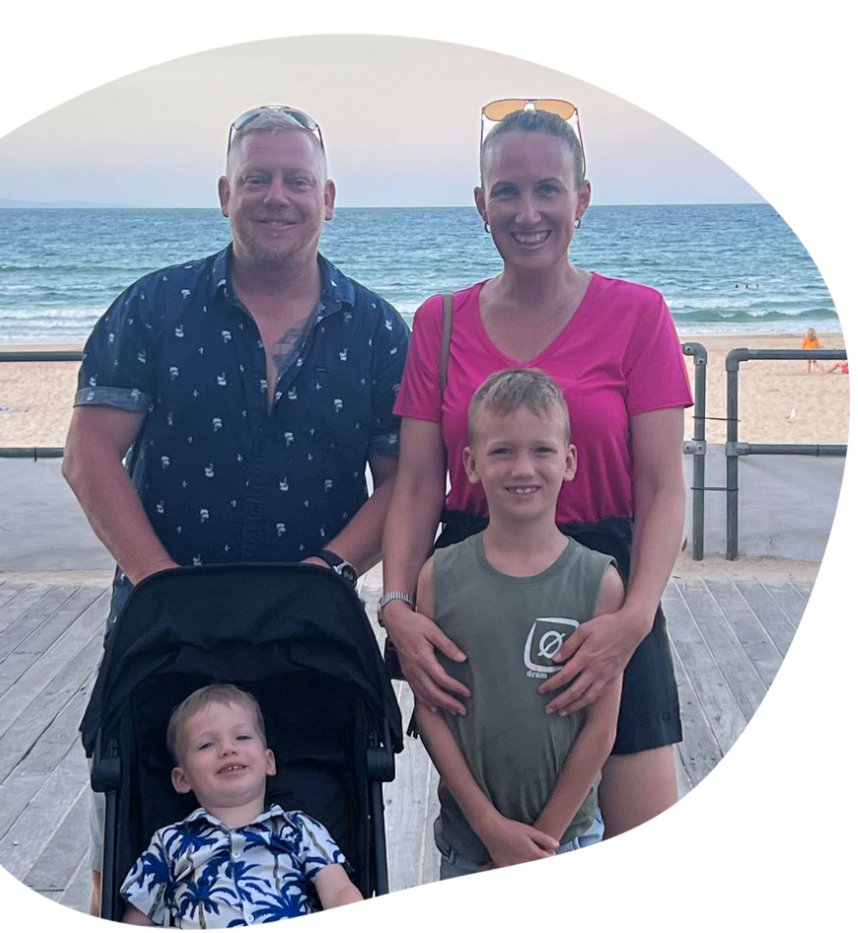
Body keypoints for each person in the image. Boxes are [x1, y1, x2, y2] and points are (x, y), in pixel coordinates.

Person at [62, 105, 409, 927]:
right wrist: (164, 590)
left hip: (307, 638)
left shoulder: (378, 331)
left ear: (329, 198)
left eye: (297, 180)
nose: (276, 196)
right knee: (130, 820)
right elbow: (89, 458)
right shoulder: (152, 308)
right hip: (163, 628)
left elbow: (405, 483)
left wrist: (329, 573)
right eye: (257, 178)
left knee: (329, 809)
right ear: (225, 192)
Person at [381, 101, 691, 845]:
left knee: (652, 844)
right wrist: (396, 606)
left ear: (581, 199)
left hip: (609, 586)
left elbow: (661, 487)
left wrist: (634, 618)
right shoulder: (440, 321)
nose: (528, 212)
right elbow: (419, 484)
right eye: (508, 192)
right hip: (477, 585)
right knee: (498, 849)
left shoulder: (639, 314)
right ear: (480, 202)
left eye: (548, 189)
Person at [414, 369, 622, 929]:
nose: (523, 468)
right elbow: (431, 714)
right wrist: (490, 829)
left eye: (541, 450)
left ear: (570, 461)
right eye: (502, 450)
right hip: (469, 848)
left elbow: (601, 728)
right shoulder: (438, 577)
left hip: (569, 847)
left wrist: (543, 843)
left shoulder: (599, 582)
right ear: (472, 464)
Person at [119, 684, 366, 929]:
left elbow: (338, 891)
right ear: (183, 779)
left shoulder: (299, 829)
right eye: (207, 744)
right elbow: (138, 918)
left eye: (243, 737)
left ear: (269, 762)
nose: (228, 749)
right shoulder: (169, 843)